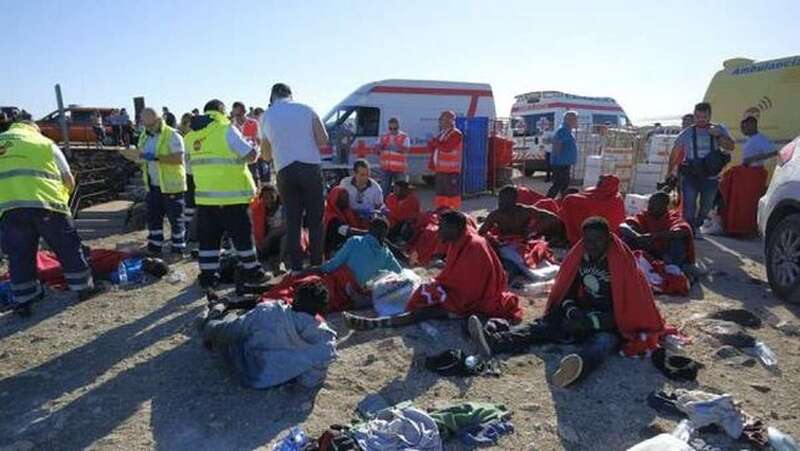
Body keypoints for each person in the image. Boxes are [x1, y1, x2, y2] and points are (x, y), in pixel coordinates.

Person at [468, 217, 667, 388]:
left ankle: (578, 368)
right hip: (584, 312)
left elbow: (629, 312)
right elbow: (567, 292)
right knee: (544, 325)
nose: (592, 245)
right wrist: (573, 313)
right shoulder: (581, 258)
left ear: (608, 238)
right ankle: (496, 342)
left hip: (612, 322)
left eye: (598, 240)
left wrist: (591, 322)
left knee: (602, 344)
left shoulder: (623, 265)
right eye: (587, 240)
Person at [344, 211, 522, 330]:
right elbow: (453, 277)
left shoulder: (474, 246)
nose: (439, 232)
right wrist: (436, 286)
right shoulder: (459, 242)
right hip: (459, 292)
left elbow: (469, 292)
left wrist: (437, 291)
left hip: (473, 300)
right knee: (411, 288)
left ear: (456, 228)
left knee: (424, 309)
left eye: (443, 228)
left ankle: (376, 323)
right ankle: (370, 300)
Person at [0, 120, 101, 316]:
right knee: (68, 248)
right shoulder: (44, 143)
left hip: (9, 209)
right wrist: (64, 199)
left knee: (19, 255)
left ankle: (25, 300)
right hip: (48, 206)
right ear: (33, 128)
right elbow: (68, 179)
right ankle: (83, 289)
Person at [184, 99, 267, 289]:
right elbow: (250, 155)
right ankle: (254, 272)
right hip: (233, 198)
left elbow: (189, 169)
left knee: (208, 241)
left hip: (205, 200)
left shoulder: (190, 137)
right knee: (242, 238)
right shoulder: (225, 129)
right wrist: (257, 146)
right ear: (221, 111)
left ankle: (208, 277)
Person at [199, 281, 337, 389]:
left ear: (294, 299)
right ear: (322, 310)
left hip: (243, 366)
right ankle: (218, 308)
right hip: (269, 380)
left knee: (224, 325)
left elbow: (231, 331)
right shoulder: (326, 342)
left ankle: (215, 309)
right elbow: (309, 381)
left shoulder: (268, 311)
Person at [259, 83, 327, 273]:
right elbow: (323, 140)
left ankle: (296, 268)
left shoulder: (266, 116)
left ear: (272, 97)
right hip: (310, 167)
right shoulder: (307, 109)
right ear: (291, 95)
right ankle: (316, 264)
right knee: (316, 220)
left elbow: (265, 155)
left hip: (285, 170)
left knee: (292, 220)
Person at [119, 108, 187, 257]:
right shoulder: (145, 135)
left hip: (171, 187)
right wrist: (134, 156)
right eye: (144, 124)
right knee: (154, 220)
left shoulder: (172, 135)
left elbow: (178, 159)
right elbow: (142, 158)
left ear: (158, 120)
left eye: (149, 124)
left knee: (176, 220)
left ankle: (178, 249)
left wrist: (154, 157)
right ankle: (155, 247)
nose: (147, 127)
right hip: (153, 186)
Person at [666, 102, 735, 235]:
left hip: (711, 176)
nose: (701, 120)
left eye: (704, 117)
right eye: (698, 117)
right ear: (694, 116)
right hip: (691, 174)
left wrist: (718, 136)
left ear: (710, 116)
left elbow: (731, 147)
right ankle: (688, 231)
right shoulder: (687, 133)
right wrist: (669, 171)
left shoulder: (719, 129)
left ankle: (698, 224)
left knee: (707, 205)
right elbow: (675, 152)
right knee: (689, 205)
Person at [312, 217, 403, 309]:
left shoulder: (355, 241)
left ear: (369, 230)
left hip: (345, 286)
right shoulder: (386, 253)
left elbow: (333, 264)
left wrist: (316, 269)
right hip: (365, 290)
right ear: (385, 234)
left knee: (338, 270)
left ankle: (350, 295)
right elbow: (400, 272)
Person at [478, 185, 560, 284]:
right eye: (501, 199)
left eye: (505, 200)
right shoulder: (496, 214)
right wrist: (492, 239)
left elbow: (553, 218)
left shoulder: (524, 211)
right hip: (503, 244)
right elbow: (482, 232)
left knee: (514, 264)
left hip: (521, 244)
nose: (501, 203)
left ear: (515, 200)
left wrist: (533, 230)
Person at [620, 191, 694, 270]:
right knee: (627, 236)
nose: (649, 206)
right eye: (649, 203)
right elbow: (623, 225)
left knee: (678, 241)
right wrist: (637, 235)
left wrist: (654, 236)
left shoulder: (673, 217)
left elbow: (682, 231)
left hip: (664, 253)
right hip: (646, 248)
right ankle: (622, 262)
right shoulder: (645, 214)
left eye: (654, 204)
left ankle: (674, 269)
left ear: (664, 206)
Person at [559, 175, 626, 245]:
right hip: (610, 235)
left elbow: (578, 200)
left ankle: (571, 235)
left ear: (606, 184)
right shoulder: (618, 197)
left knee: (568, 201)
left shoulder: (614, 198)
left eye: (601, 181)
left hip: (598, 232)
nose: (598, 183)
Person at [428, 111, 464, 209]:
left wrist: (434, 142)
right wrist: (431, 143)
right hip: (441, 170)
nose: (441, 122)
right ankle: (441, 212)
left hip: (451, 171)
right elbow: (435, 148)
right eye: (441, 119)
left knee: (451, 195)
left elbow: (447, 148)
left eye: (443, 119)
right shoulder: (442, 134)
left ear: (451, 120)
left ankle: (453, 213)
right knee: (440, 194)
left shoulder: (456, 134)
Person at [251, 184, 288, 273]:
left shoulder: (284, 207)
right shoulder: (259, 210)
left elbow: (287, 227)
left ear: (277, 195)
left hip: (282, 240)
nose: (268, 200)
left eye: (271, 197)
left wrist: (270, 236)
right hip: (266, 242)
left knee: (286, 236)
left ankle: (280, 262)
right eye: (265, 197)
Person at [231, 101, 269, 187]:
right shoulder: (231, 126)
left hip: (252, 158)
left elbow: (260, 140)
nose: (237, 118)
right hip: (238, 159)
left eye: (240, 115)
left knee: (254, 180)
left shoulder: (253, 123)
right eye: (235, 115)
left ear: (244, 112)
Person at [323, 186, 368, 258]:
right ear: (335, 199)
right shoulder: (332, 218)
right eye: (342, 198)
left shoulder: (346, 213)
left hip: (346, 245)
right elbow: (346, 231)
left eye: (347, 197)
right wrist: (367, 233)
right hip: (335, 250)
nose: (346, 200)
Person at [547, 111, 578, 198]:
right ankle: (546, 202)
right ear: (569, 120)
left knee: (564, 186)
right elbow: (557, 145)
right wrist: (557, 159)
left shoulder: (567, 130)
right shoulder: (563, 130)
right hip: (560, 164)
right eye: (574, 119)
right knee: (558, 185)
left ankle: (563, 202)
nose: (576, 121)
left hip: (564, 163)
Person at [177, 113, 197, 246]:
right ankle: (190, 233)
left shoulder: (195, 137)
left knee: (194, 206)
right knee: (189, 206)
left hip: (196, 175)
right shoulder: (183, 139)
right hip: (188, 175)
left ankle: (194, 232)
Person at [376, 117, 410, 195]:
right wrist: (382, 147)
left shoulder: (404, 136)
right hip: (385, 168)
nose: (392, 130)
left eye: (395, 128)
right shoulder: (383, 136)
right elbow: (376, 149)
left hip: (399, 168)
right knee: (384, 189)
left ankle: (399, 205)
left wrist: (395, 146)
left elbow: (406, 150)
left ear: (398, 127)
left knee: (400, 190)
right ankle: (384, 204)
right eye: (390, 128)